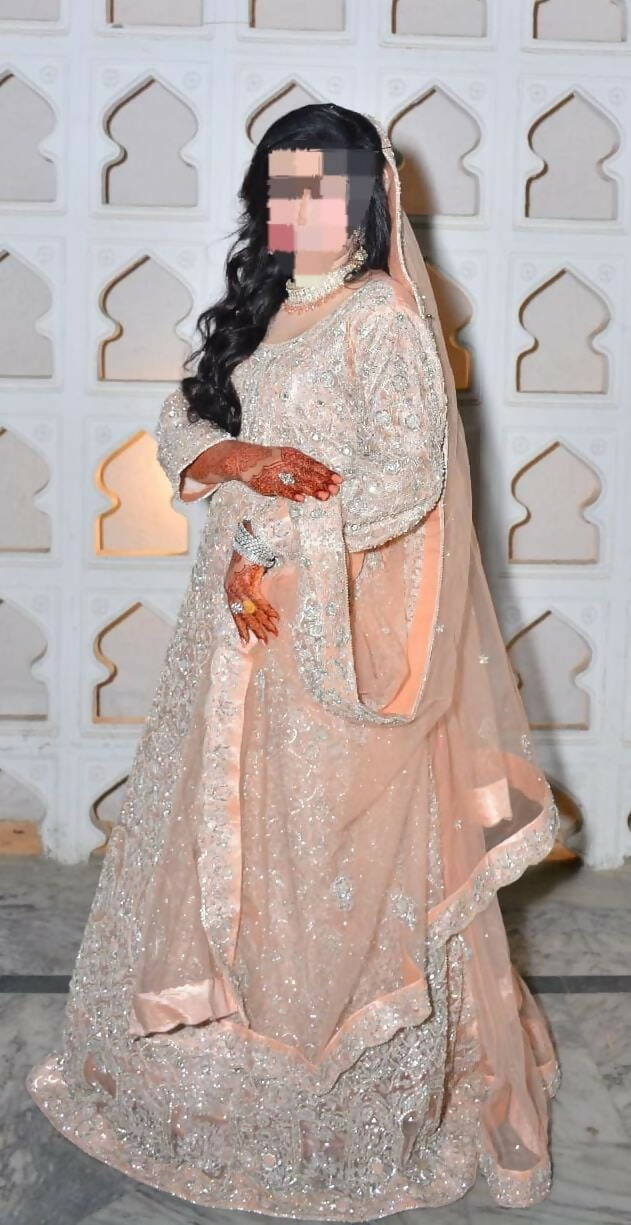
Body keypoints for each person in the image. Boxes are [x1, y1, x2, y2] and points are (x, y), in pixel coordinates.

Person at [27, 104, 561, 1217]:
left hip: (328, 638)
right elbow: (182, 416)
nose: (293, 207)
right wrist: (235, 456)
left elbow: (409, 474)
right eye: (278, 185)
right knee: (221, 832)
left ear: (365, 198)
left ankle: (334, 1105)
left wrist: (273, 539)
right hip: (232, 639)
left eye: (316, 186)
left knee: (321, 854)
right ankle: (212, 1071)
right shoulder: (266, 306)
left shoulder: (381, 320)